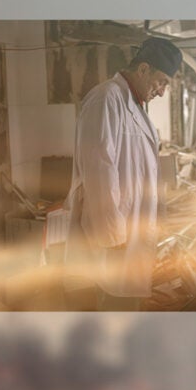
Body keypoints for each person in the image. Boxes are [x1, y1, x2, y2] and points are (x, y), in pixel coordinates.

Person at [63, 36, 183, 311]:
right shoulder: (106, 99)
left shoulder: (134, 105)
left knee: (125, 301)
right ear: (143, 69)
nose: (162, 91)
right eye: (161, 81)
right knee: (111, 304)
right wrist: (113, 234)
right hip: (112, 237)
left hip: (129, 233)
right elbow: (99, 169)